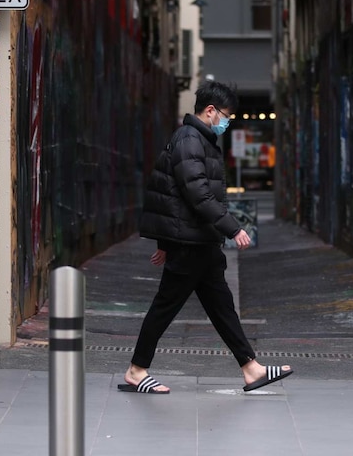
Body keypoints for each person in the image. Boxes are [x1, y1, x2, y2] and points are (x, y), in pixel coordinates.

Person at [117, 81, 293, 395]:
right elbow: (195, 193)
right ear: (210, 111)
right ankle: (136, 370)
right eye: (226, 116)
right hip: (191, 243)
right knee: (166, 306)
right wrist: (233, 228)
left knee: (222, 307)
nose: (227, 122)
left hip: (199, 241)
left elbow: (172, 194)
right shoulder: (189, 139)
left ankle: (251, 369)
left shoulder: (200, 139)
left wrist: (165, 244)